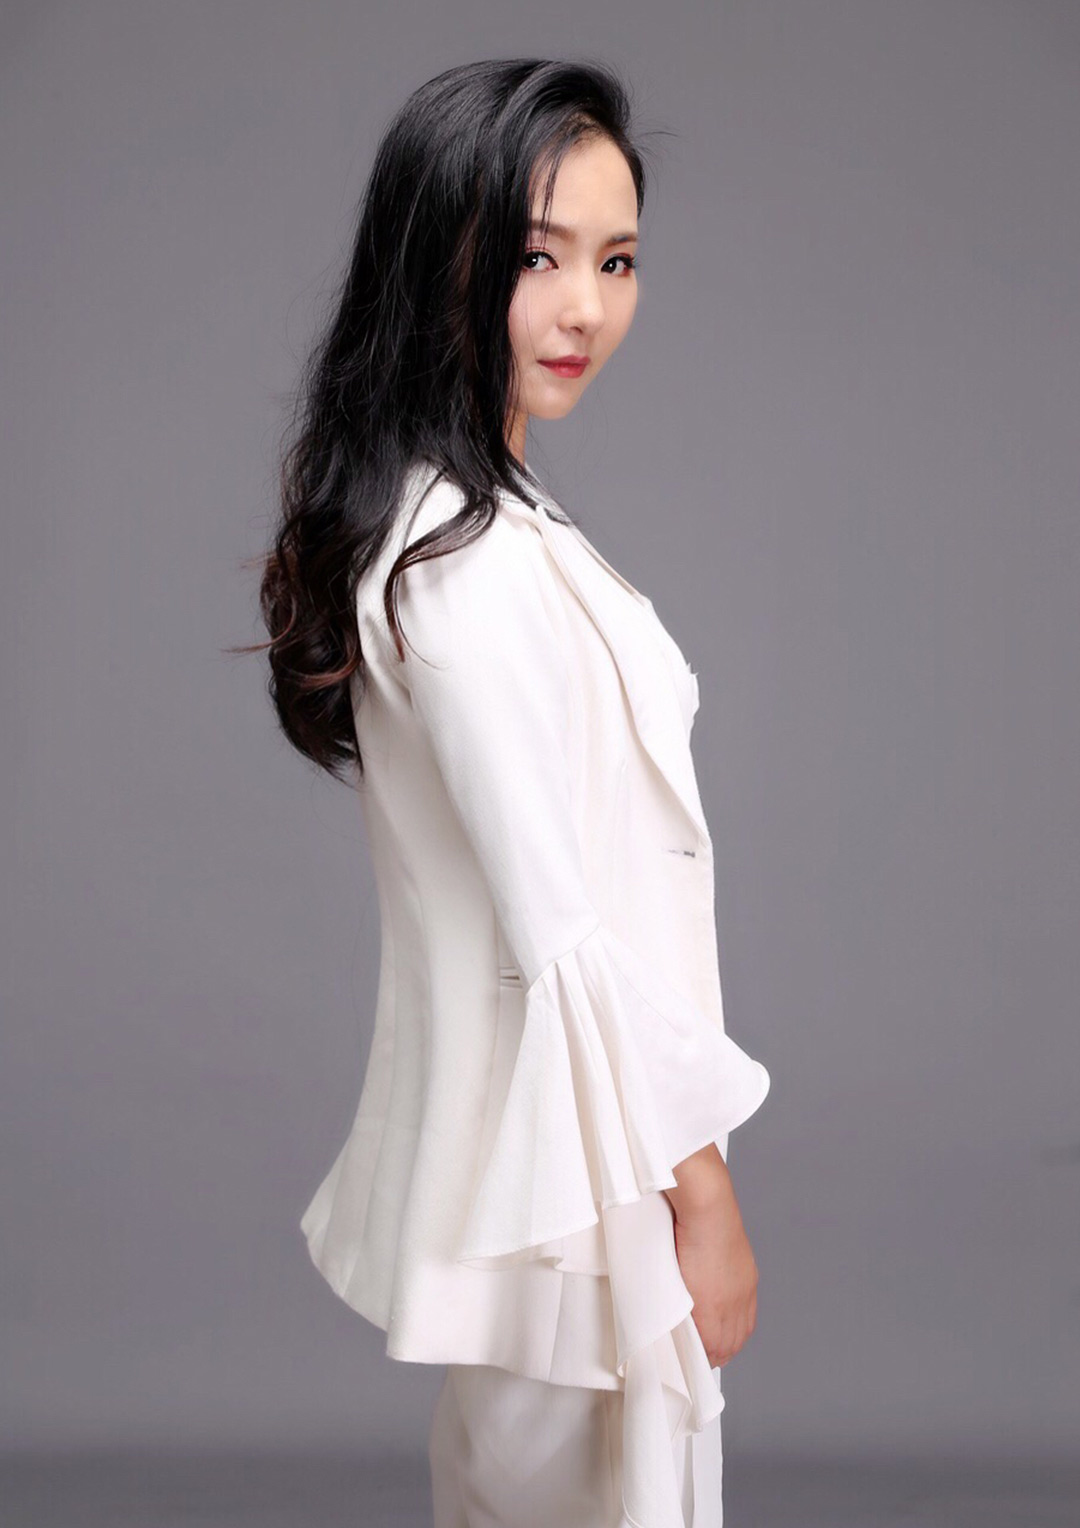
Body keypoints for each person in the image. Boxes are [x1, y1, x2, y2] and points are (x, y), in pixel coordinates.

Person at [252, 57, 772, 1528]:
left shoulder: (501, 522)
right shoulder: (457, 564)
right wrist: (707, 1199)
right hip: (573, 1180)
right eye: (538, 257)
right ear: (442, 258)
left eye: (616, 261)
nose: (584, 309)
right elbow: (562, 929)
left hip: (588, 1165)